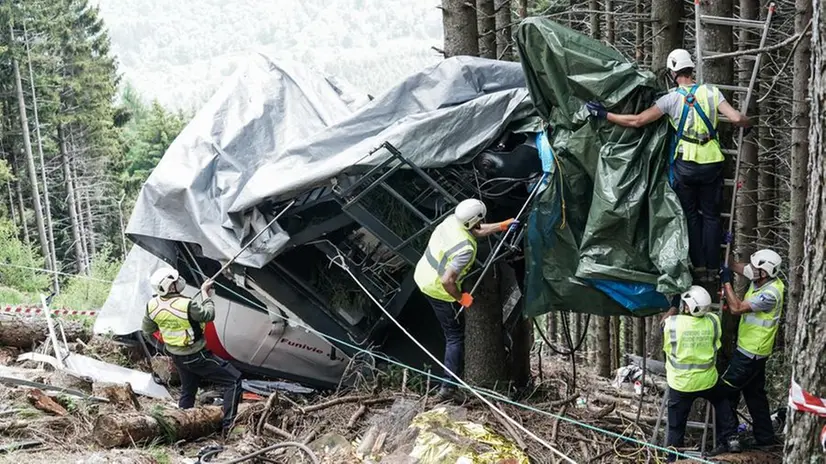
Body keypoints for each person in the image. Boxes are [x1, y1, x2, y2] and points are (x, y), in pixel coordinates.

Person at [585, 49, 751, 284]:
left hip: (686, 167)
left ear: (673, 73)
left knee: (691, 217)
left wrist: (604, 114)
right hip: (712, 163)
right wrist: (748, 122)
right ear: (691, 69)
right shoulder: (711, 92)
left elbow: (637, 121)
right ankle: (715, 267)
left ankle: (700, 267)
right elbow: (735, 118)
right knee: (712, 217)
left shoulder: (670, 99)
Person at [413, 199, 516, 400]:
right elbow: (446, 281)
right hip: (436, 287)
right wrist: (462, 298)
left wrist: (502, 225)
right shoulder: (465, 250)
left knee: (453, 333)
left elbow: (474, 230)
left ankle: (450, 383)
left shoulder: (452, 220)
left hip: (423, 273)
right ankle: (448, 387)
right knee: (454, 336)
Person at [142, 267, 242, 437]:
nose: (179, 281)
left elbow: (147, 329)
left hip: (177, 356)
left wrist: (168, 335)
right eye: (176, 280)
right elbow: (208, 315)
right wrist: (205, 294)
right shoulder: (187, 304)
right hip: (197, 355)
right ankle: (229, 429)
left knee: (188, 391)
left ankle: (180, 427)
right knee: (233, 380)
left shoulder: (152, 305)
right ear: (171, 286)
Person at [662, 285, 741, 461]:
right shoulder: (713, 321)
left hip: (681, 384)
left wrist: (674, 304)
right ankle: (731, 437)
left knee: (676, 425)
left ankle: (673, 457)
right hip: (707, 381)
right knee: (722, 399)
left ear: (687, 306)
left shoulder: (672, 324)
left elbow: (664, 326)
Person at [718, 249, 784, 447]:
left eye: (755, 267)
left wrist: (727, 282)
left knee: (724, 393)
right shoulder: (761, 276)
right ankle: (765, 438)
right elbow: (737, 266)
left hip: (750, 354)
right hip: (754, 352)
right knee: (755, 396)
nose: (751, 268)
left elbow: (737, 308)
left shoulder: (770, 294)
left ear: (763, 273)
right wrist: (726, 252)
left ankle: (730, 439)